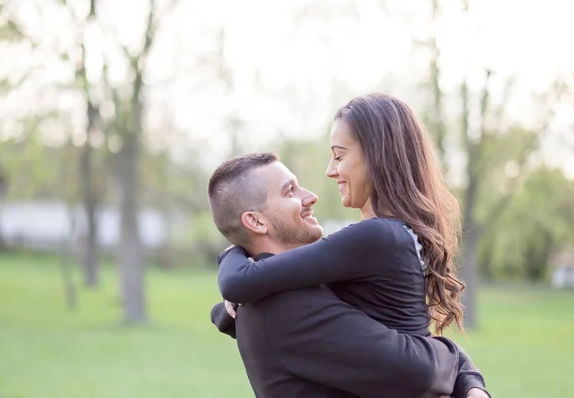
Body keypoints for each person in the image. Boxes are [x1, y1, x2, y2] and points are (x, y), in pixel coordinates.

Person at [208, 152, 490, 397]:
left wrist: (469, 383)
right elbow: (421, 371)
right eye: (289, 191)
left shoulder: (282, 290)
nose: (310, 196)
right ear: (255, 221)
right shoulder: (285, 306)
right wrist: (459, 364)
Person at [218, 93, 464, 337]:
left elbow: (238, 283)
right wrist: (225, 310)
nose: (330, 170)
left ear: (376, 157)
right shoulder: (396, 237)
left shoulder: (377, 237)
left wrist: (233, 252)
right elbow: (293, 300)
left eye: (339, 156)